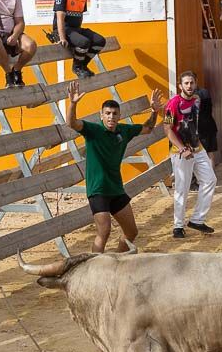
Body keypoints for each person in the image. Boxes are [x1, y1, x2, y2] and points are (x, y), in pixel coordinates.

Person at [66, 80, 162, 253]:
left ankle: (119, 260)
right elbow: (71, 123)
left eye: (114, 113)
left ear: (119, 116)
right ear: (101, 115)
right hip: (98, 191)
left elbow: (148, 128)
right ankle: (94, 269)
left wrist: (154, 111)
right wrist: (72, 104)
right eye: (108, 113)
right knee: (104, 231)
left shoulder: (124, 130)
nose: (111, 117)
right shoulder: (92, 130)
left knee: (132, 231)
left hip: (116, 189)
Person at [164, 72, 216, 238]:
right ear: (180, 85)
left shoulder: (197, 99)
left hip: (197, 147)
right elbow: (167, 129)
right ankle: (178, 226)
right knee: (182, 188)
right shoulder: (172, 104)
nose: (189, 86)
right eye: (186, 83)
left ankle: (197, 220)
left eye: (191, 83)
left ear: (195, 83)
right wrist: (181, 148)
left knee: (210, 180)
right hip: (180, 152)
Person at [53, 0, 105, 79]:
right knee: (84, 42)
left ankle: (82, 65)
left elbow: (79, 16)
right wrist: (62, 38)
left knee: (100, 41)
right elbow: (59, 19)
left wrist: (77, 34)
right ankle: (76, 67)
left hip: (75, 29)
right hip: (62, 29)